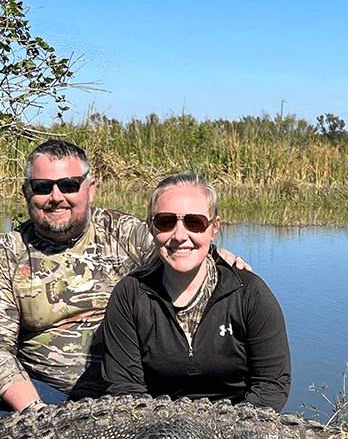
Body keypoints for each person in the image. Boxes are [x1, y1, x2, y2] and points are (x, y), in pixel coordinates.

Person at [0, 139, 253, 412]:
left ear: (91, 188)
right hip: (45, 393)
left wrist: (217, 257)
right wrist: (34, 409)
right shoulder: (4, 257)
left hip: (141, 392)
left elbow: (180, 251)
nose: (56, 197)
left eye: (69, 185)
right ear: (26, 191)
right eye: (43, 187)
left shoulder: (124, 233)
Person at [99, 173, 291, 409]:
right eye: (166, 222)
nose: (180, 236)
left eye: (194, 222)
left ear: (214, 228)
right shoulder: (129, 295)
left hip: (238, 426)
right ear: (151, 227)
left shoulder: (249, 293)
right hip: (157, 425)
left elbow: (272, 386)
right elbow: (125, 390)